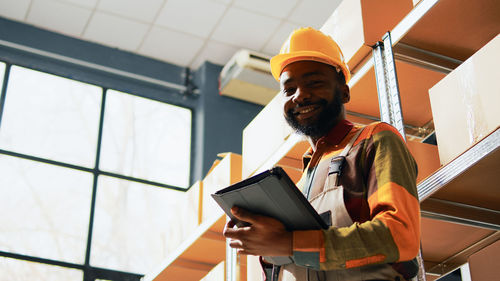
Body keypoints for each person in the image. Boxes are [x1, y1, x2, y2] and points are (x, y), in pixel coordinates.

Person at [223, 27, 421, 281]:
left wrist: (290, 243)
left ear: (344, 91)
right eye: (289, 89)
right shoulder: (298, 185)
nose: (300, 95)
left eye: (314, 83)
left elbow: (400, 235)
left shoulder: (375, 141)